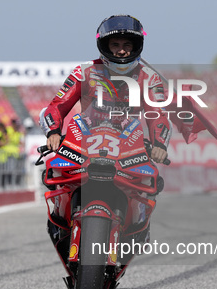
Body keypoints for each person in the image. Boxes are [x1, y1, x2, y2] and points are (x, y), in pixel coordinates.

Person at [39, 15, 171, 254]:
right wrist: (54, 132)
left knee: (150, 184)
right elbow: (55, 107)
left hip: (129, 144)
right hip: (84, 141)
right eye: (115, 45)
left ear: (137, 46)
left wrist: (159, 143)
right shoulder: (83, 72)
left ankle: (134, 228)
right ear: (104, 46)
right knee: (53, 171)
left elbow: (158, 115)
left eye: (127, 45)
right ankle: (63, 219)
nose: (121, 51)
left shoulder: (149, 78)